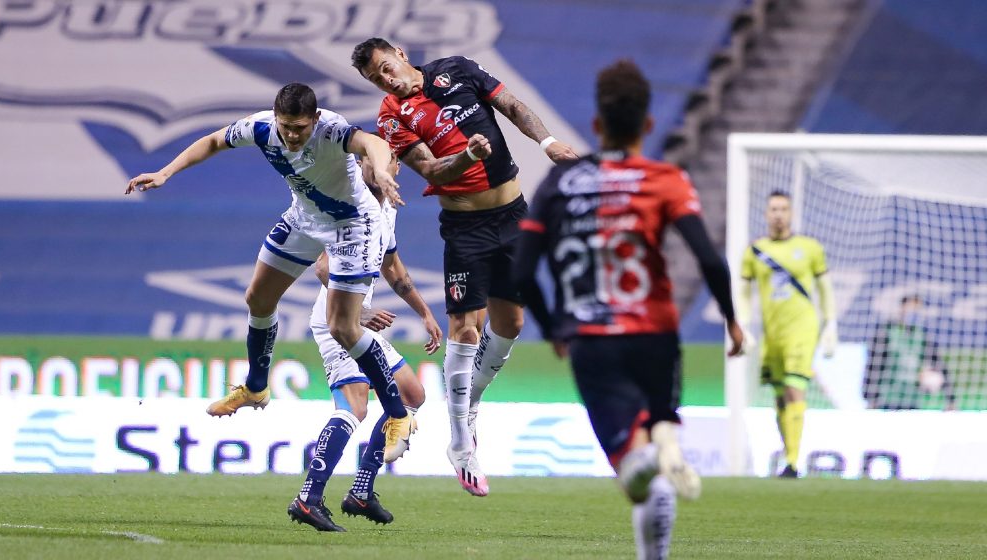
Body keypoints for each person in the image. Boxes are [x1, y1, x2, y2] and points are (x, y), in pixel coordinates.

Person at [125, 83, 415, 485]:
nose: (291, 136)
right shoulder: (261, 128)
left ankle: (398, 416)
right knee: (257, 298)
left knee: (343, 328)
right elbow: (212, 141)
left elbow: (370, 143)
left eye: (299, 128)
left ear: (314, 120)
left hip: (351, 226)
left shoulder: (332, 130)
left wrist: (381, 169)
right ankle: (257, 387)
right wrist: (164, 172)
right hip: (306, 217)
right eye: (285, 127)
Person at [512, 59, 744, 560]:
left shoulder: (561, 183)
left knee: (631, 461)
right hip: (655, 336)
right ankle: (658, 461)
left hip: (591, 340)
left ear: (596, 126)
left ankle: (641, 463)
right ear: (649, 125)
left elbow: (523, 272)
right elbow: (709, 258)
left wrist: (554, 327)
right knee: (657, 427)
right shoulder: (665, 179)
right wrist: (730, 318)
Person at [351, 37, 579, 496]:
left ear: (398, 52)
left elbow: (512, 106)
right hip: (464, 227)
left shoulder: (456, 69)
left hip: (513, 215)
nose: (385, 79)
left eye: (384, 67)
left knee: (510, 323)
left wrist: (548, 142)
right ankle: (459, 439)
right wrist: (470, 156)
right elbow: (432, 171)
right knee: (465, 329)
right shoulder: (391, 117)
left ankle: (468, 401)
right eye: (375, 78)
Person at [289, 173, 443, 532]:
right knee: (355, 406)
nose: (390, 166)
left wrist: (424, 311)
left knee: (412, 393)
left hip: (356, 321)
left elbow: (393, 268)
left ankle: (361, 491)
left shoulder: (386, 209)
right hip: (337, 321)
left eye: (392, 160)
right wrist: (357, 313)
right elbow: (324, 267)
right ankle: (308, 499)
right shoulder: (351, 205)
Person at [735, 190, 838, 478]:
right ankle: (788, 456)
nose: (778, 214)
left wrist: (830, 323)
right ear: (766, 214)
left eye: (783, 209)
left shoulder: (809, 248)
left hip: (802, 328)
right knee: (780, 395)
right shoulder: (755, 251)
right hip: (773, 332)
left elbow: (825, 287)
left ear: (791, 213)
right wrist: (743, 324)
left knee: (795, 387)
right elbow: (744, 292)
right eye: (773, 209)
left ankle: (793, 461)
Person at [864, 294, 956, 410]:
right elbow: (873, 367)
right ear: (902, 309)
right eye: (911, 309)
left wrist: (951, 399)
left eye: (917, 310)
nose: (914, 313)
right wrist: (870, 397)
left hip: (913, 399)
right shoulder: (886, 332)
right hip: (886, 399)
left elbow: (940, 365)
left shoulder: (922, 336)